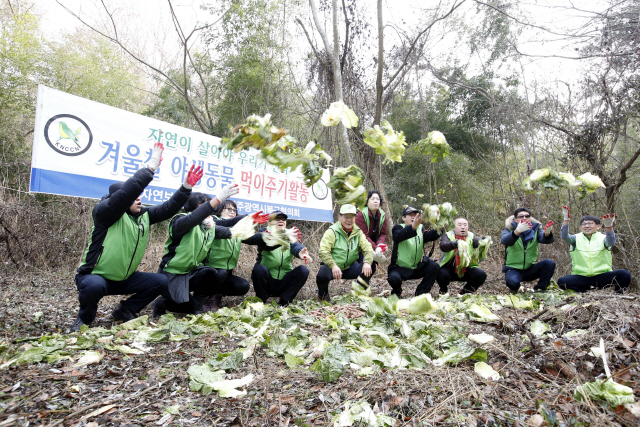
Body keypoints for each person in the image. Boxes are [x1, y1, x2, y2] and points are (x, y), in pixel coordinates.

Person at [73, 143, 194, 331]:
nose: (139, 199)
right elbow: (124, 194)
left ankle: (125, 310)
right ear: (120, 200)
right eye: (134, 196)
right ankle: (84, 319)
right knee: (93, 286)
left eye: (140, 196)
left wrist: (186, 187)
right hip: (97, 276)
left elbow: (169, 207)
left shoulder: (143, 216)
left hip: (124, 278)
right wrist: (151, 167)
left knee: (160, 281)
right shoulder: (105, 214)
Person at [152, 184, 262, 316]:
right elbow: (192, 219)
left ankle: (197, 307)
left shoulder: (208, 226)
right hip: (172, 273)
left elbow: (230, 231)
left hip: (190, 273)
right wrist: (218, 198)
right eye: (203, 207)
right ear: (193, 208)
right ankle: (161, 303)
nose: (207, 211)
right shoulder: (180, 221)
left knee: (209, 273)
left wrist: (249, 222)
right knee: (183, 307)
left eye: (208, 207)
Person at [200, 201, 270, 311]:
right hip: (208, 270)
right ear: (220, 210)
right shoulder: (212, 221)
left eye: (234, 210)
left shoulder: (237, 227)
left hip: (227, 271)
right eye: (229, 209)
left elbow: (251, 239)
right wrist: (246, 220)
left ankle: (217, 296)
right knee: (220, 274)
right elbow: (223, 226)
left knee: (243, 286)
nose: (233, 212)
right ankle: (205, 299)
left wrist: (267, 236)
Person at [557, 206, 631, 293]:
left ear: (598, 226)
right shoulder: (575, 238)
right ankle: (584, 294)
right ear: (580, 228)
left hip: (602, 276)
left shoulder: (603, 238)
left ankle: (619, 295)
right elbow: (564, 236)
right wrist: (566, 220)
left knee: (624, 274)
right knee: (562, 282)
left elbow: (611, 242)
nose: (587, 226)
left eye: (590, 223)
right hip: (582, 277)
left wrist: (609, 227)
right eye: (584, 224)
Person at [251, 211, 311, 305]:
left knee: (303, 270)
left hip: (284, 281)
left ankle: (284, 301)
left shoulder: (290, 234)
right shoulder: (264, 232)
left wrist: (300, 251)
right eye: (277, 219)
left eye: (283, 219)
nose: (281, 221)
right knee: (259, 270)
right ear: (270, 223)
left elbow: (295, 245)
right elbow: (265, 242)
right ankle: (260, 301)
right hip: (268, 281)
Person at [316, 204, 374, 301]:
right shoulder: (332, 231)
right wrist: (333, 265)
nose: (349, 220)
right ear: (339, 217)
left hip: (350, 267)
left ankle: (360, 296)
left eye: (352, 217)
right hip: (333, 267)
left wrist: (367, 262)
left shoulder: (358, 232)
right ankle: (323, 296)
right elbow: (323, 251)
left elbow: (368, 248)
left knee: (370, 267)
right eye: (346, 217)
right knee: (322, 275)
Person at [387, 206, 441, 297]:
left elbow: (429, 236)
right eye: (410, 215)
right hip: (400, 268)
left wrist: (440, 227)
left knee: (434, 266)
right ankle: (397, 291)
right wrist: (414, 226)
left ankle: (421, 293)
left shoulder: (421, 228)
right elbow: (398, 236)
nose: (413, 217)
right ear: (403, 218)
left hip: (416, 267)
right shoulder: (397, 228)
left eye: (415, 215)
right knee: (393, 278)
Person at [501, 207, 555, 294]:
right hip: (513, 269)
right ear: (515, 220)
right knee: (512, 283)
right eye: (521, 216)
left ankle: (540, 289)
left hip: (530, 268)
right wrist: (517, 231)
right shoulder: (508, 230)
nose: (524, 218)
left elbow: (545, 240)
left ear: (530, 219)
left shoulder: (536, 230)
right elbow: (505, 240)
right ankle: (516, 288)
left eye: (527, 216)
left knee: (549, 263)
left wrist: (547, 233)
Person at [437, 218, 488, 295]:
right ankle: (443, 290)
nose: (463, 227)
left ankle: (465, 292)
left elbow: (478, 242)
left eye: (465, 225)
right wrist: (453, 244)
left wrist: (484, 241)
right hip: (449, 268)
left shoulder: (471, 236)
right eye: (459, 225)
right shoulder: (448, 235)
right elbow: (443, 246)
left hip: (466, 268)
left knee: (480, 274)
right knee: (441, 274)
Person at [354, 190, 389, 272]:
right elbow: (363, 236)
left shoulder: (383, 215)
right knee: (365, 267)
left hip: (372, 246)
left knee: (372, 268)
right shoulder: (360, 214)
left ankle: (362, 284)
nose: (376, 201)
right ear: (367, 201)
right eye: (372, 199)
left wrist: (380, 245)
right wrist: (376, 248)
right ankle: (361, 284)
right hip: (359, 246)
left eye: (378, 199)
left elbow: (383, 233)